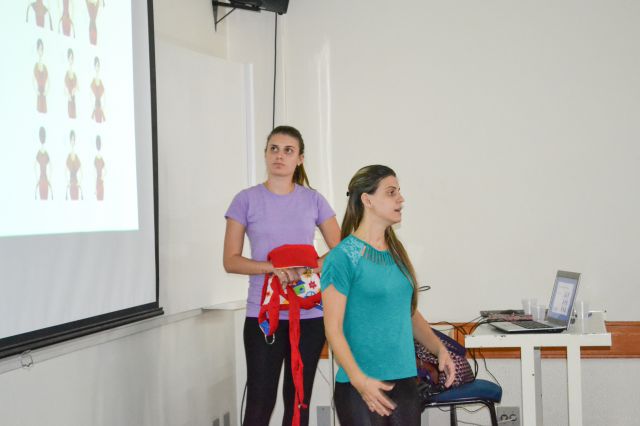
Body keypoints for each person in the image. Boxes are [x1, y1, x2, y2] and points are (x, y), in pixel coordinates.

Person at [321, 165, 456, 426]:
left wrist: (440, 349)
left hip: (405, 382)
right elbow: (333, 330)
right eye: (391, 192)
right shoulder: (342, 257)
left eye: (399, 192)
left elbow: (407, 312)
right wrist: (360, 381)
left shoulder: (396, 251)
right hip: (360, 386)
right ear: (367, 200)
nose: (400, 199)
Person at [223, 125, 341, 426]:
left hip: (309, 316)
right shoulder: (245, 199)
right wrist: (273, 269)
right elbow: (231, 261)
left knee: (299, 401)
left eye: (288, 150)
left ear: (299, 159)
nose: (279, 155)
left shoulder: (313, 199)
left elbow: (341, 250)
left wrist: (312, 266)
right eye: (274, 149)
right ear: (265, 154)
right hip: (264, 316)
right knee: (260, 403)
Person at [34, 126, 52, 200]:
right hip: (43, 180)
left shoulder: (44, 153)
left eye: (42, 136)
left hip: (43, 179)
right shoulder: (41, 153)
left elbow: (51, 167)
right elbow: (34, 167)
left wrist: (37, 179)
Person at [33, 39, 48, 114]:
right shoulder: (35, 66)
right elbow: (33, 81)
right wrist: (36, 91)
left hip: (44, 94)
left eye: (42, 49)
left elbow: (49, 82)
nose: (40, 51)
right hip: (39, 94)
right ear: (37, 50)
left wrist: (46, 91)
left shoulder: (45, 67)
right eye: (39, 49)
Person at [66, 130, 82, 200]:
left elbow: (82, 173)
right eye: (71, 140)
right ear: (70, 141)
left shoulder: (77, 157)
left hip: (76, 184)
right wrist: (67, 182)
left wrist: (79, 182)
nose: (72, 141)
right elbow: (65, 172)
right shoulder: (68, 157)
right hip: (71, 184)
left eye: (74, 140)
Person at [90, 56, 105, 123]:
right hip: (95, 108)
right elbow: (91, 95)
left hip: (101, 108)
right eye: (96, 66)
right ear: (94, 67)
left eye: (98, 66)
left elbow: (104, 95)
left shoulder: (102, 81)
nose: (97, 67)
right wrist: (93, 106)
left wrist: (103, 106)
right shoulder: (92, 81)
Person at [65, 48, 78, 119]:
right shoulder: (66, 73)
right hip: (69, 99)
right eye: (70, 58)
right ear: (68, 59)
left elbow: (78, 87)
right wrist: (68, 95)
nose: (71, 60)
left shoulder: (75, 73)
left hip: (74, 98)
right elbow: (64, 88)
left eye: (72, 58)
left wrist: (75, 89)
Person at [94, 135, 105, 200]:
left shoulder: (100, 158)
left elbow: (106, 170)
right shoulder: (96, 159)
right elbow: (94, 174)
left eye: (99, 143)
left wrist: (102, 177)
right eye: (98, 144)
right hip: (98, 181)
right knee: (99, 198)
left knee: (101, 198)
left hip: (100, 181)